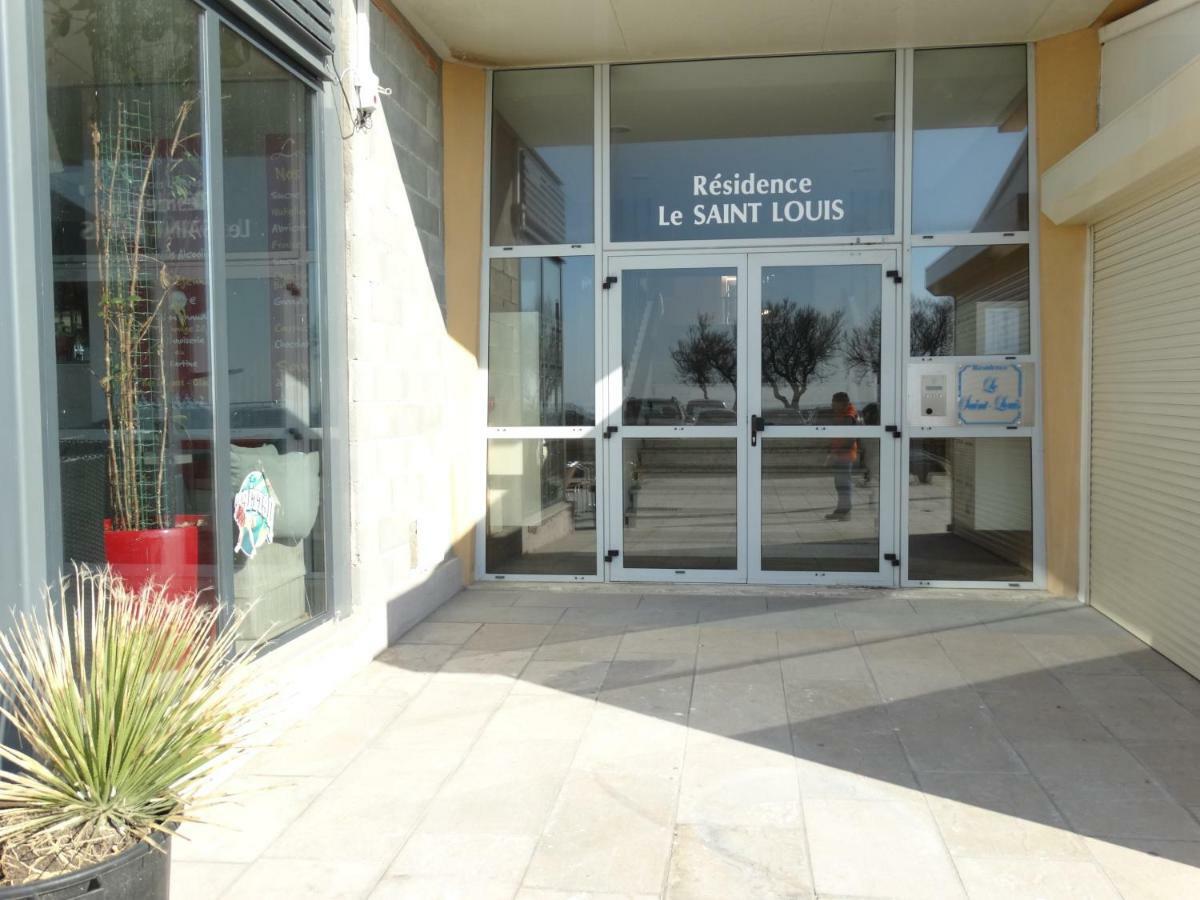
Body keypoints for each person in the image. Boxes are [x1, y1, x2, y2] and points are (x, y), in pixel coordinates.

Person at [825, 392, 859, 520]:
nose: (832, 406)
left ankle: (845, 512)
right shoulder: (842, 413)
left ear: (842, 404)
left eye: (834, 403)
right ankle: (840, 510)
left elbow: (850, 439)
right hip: (840, 454)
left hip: (845, 455)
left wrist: (835, 454)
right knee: (840, 484)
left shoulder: (849, 416)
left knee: (843, 484)